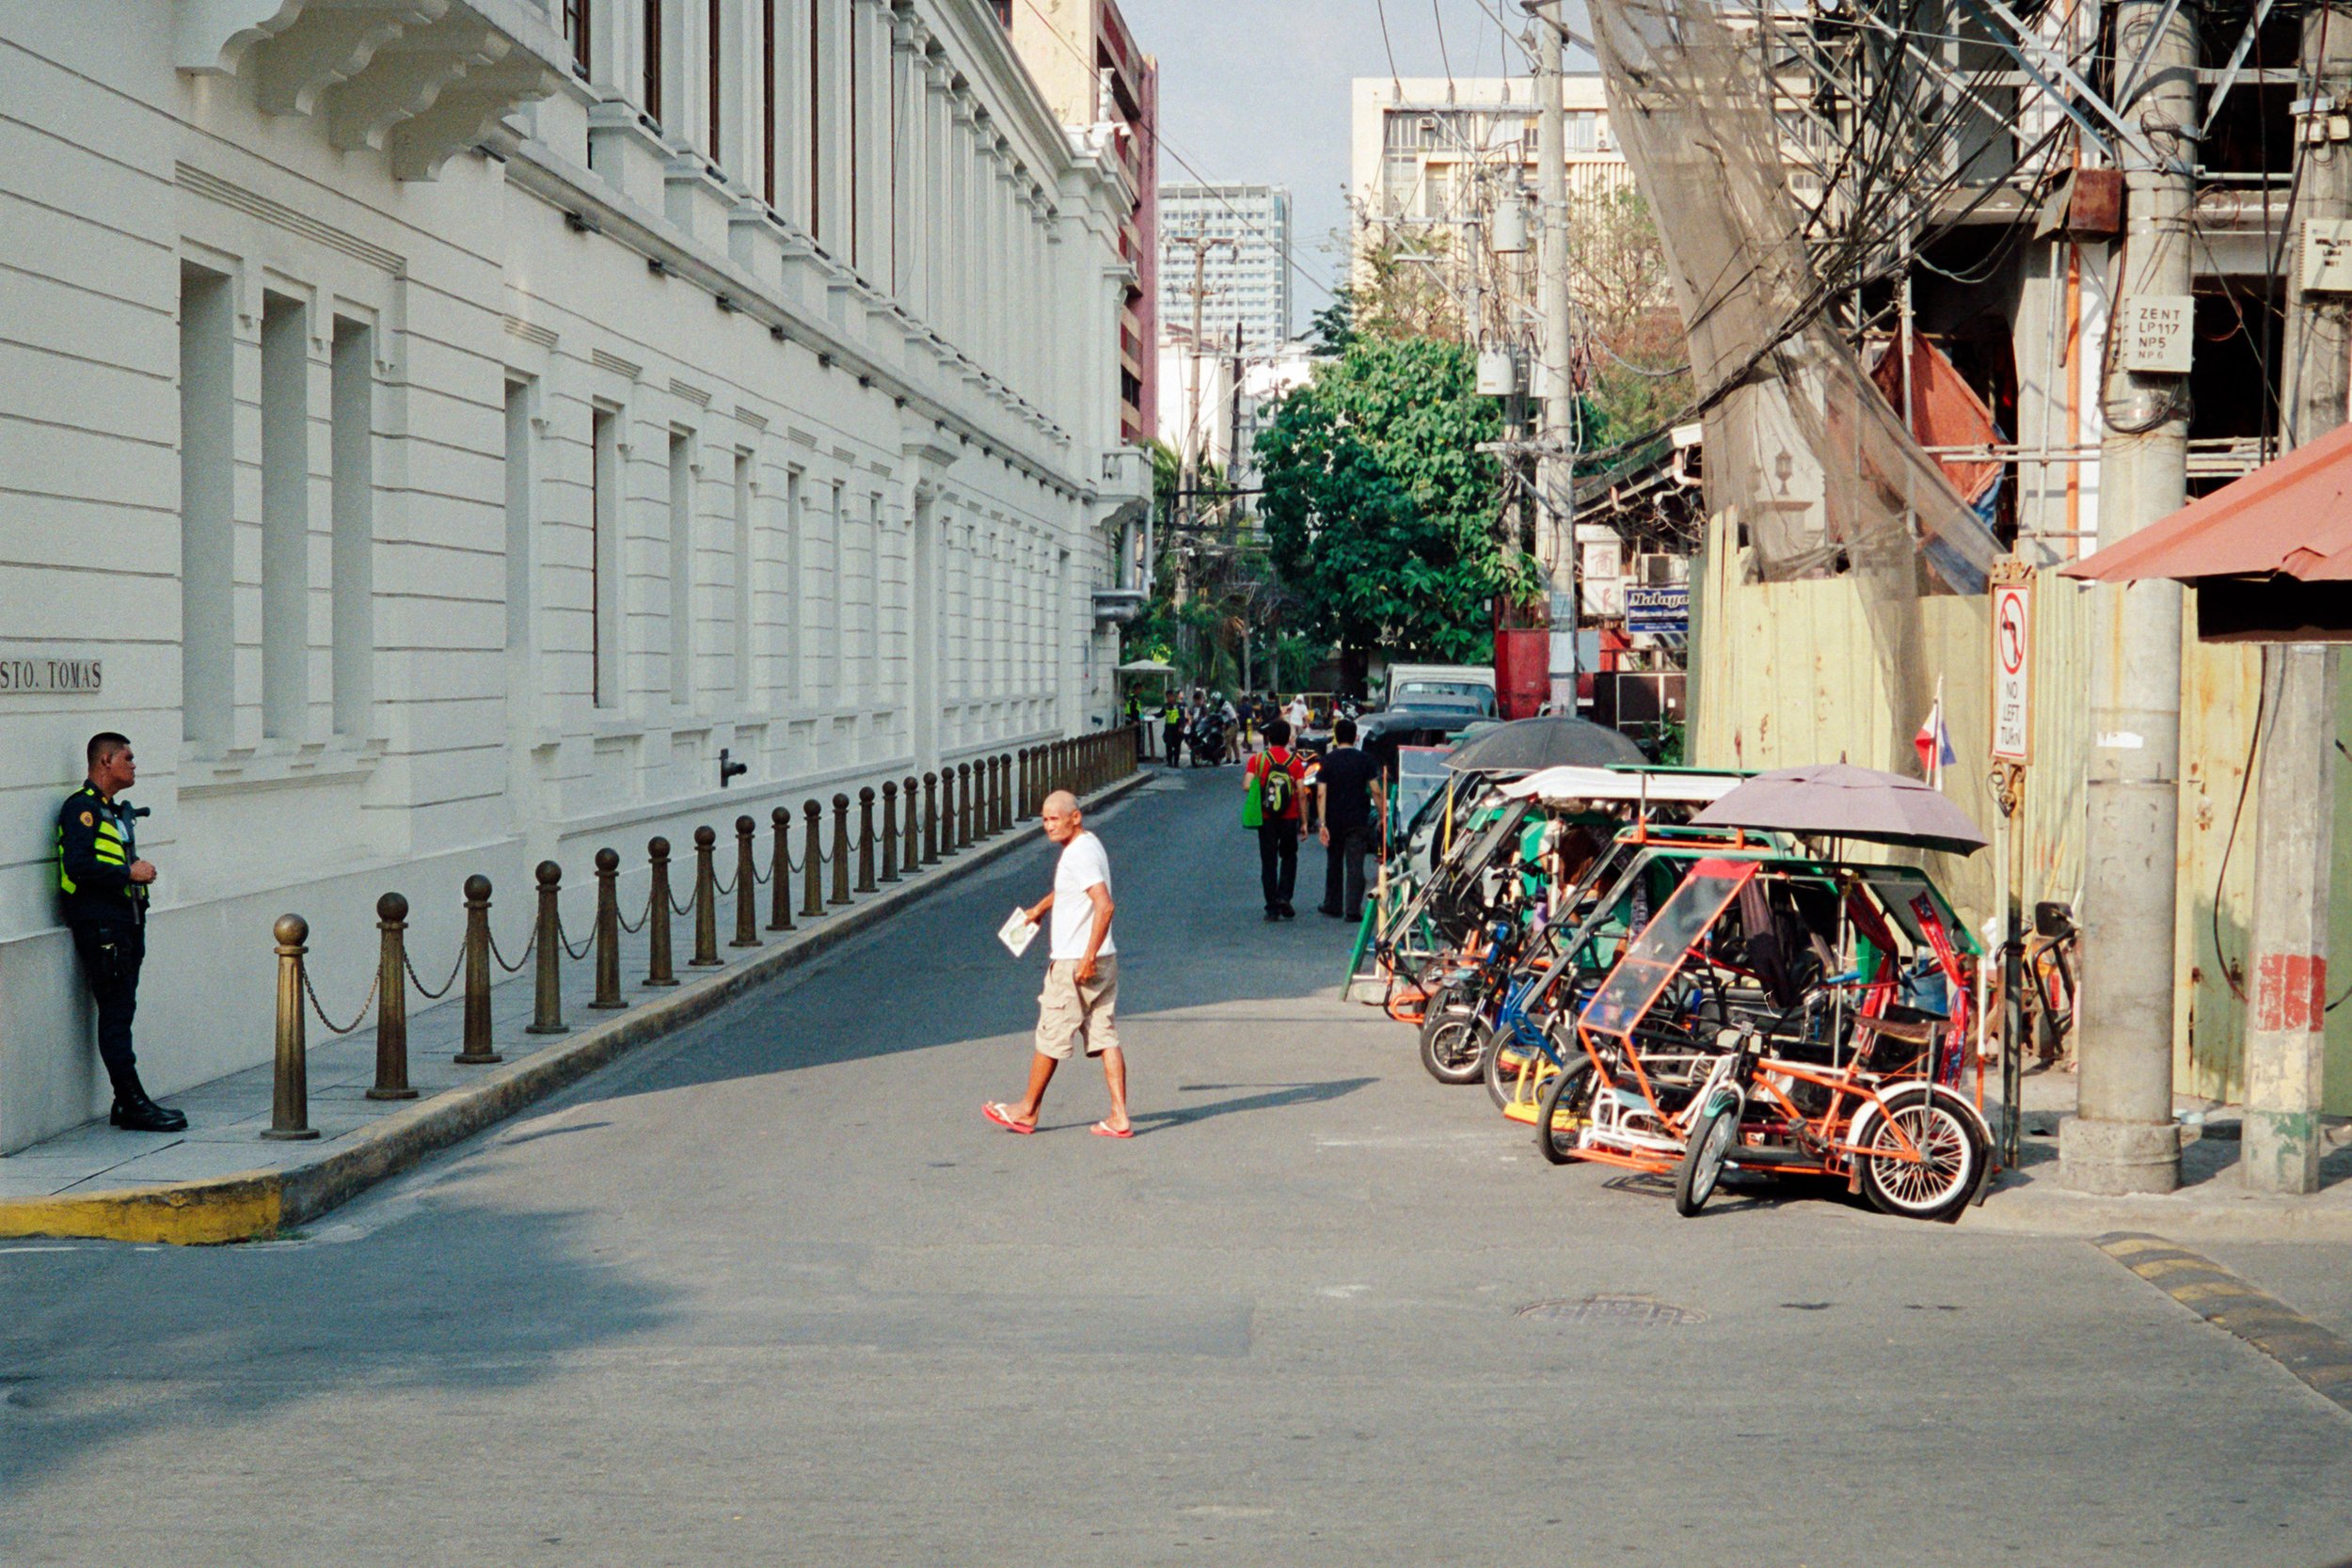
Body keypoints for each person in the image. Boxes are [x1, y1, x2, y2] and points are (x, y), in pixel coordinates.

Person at [57, 733, 184, 1132]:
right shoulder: (82, 810)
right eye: (128, 758)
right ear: (105, 761)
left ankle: (126, 1102)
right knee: (115, 1016)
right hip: (102, 927)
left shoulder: (111, 809)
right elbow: (78, 867)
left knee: (122, 1013)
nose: (134, 765)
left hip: (125, 924)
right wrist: (129, 873)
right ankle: (131, 1102)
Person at [984, 789, 1130, 1137]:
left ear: (1075, 817)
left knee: (1050, 1033)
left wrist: (1087, 958)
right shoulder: (1089, 845)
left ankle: (1027, 1110)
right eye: (1044, 820)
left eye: (1054, 818)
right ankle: (1120, 1117)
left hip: (1075, 960)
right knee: (1105, 1035)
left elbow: (1105, 905)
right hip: (1103, 958)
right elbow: (1073, 890)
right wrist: (1040, 908)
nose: (1048, 826)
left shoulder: (1077, 854)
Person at [1315, 716, 1385, 923]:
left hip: (1334, 819)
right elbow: (1376, 791)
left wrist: (1322, 824)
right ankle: (1353, 909)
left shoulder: (1327, 761)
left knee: (1334, 861)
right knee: (1355, 864)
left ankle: (1333, 904)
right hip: (1358, 818)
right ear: (1356, 737)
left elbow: (1320, 794)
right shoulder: (1365, 760)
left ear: (1336, 737)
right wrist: (1382, 816)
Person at [1246, 719, 1308, 921]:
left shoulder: (1258, 760)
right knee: (1289, 857)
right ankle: (1284, 896)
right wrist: (1305, 822)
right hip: (1289, 817)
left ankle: (1271, 906)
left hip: (1266, 817)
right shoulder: (1295, 762)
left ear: (1269, 737)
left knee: (1268, 861)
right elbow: (1301, 793)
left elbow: (1246, 785)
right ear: (1288, 737)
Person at [1162, 693, 1185, 768]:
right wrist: (1152, 716)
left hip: (1177, 728)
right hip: (1168, 728)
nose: (1169, 699)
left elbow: (1182, 716)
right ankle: (1169, 762)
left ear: (1173, 697)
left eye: (1170, 697)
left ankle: (1176, 762)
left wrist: (1181, 726)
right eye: (1167, 697)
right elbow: (1161, 713)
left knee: (1177, 746)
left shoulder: (1179, 706)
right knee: (1168, 744)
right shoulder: (1166, 706)